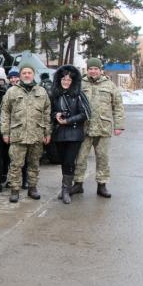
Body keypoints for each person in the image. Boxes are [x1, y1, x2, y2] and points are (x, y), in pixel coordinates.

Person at [71, 57, 125, 198]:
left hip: (103, 127)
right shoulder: (79, 84)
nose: (93, 71)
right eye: (90, 69)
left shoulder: (110, 85)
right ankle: (78, 183)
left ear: (101, 70)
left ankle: (102, 185)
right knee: (80, 157)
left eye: (96, 69)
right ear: (87, 70)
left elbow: (118, 106)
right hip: (84, 128)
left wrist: (119, 125)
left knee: (103, 158)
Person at [1, 63, 51, 203]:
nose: (27, 75)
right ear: (20, 75)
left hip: (36, 134)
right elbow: (5, 113)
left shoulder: (41, 91)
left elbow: (47, 113)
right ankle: (15, 190)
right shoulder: (12, 92)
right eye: (24, 73)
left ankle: (32, 188)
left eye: (29, 72)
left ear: (33, 74)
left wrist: (47, 132)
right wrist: (5, 132)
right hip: (18, 134)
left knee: (34, 164)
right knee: (16, 164)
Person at [51, 65, 90, 204]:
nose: (66, 82)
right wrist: (56, 115)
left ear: (72, 81)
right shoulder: (55, 95)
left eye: (68, 79)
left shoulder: (79, 94)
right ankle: (65, 188)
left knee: (69, 161)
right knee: (63, 162)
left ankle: (66, 190)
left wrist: (68, 120)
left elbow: (86, 114)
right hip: (59, 134)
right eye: (63, 79)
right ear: (59, 80)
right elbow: (49, 111)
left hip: (74, 133)